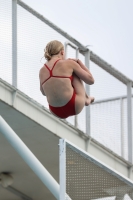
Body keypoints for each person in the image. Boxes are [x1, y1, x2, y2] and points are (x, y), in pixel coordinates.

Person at [39, 40, 94, 119]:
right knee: (74, 72)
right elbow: (91, 80)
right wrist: (78, 62)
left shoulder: (41, 71)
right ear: (62, 52)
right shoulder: (69, 63)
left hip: (55, 111)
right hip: (74, 105)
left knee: (65, 76)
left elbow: (43, 92)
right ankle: (86, 99)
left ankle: (85, 98)